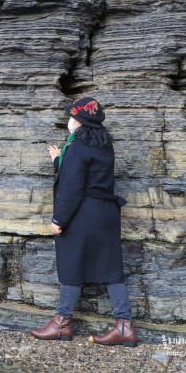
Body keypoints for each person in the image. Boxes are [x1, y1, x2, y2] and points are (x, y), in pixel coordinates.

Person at [30, 97, 137, 347]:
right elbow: (91, 174)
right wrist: (60, 161)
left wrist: (59, 219)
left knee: (71, 265)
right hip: (106, 212)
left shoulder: (77, 147)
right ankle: (124, 327)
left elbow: (72, 186)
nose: (69, 120)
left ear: (78, 121)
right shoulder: (103, 144)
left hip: (83, 213)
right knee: (112, 269)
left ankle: (62, 324)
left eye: (72, 116)